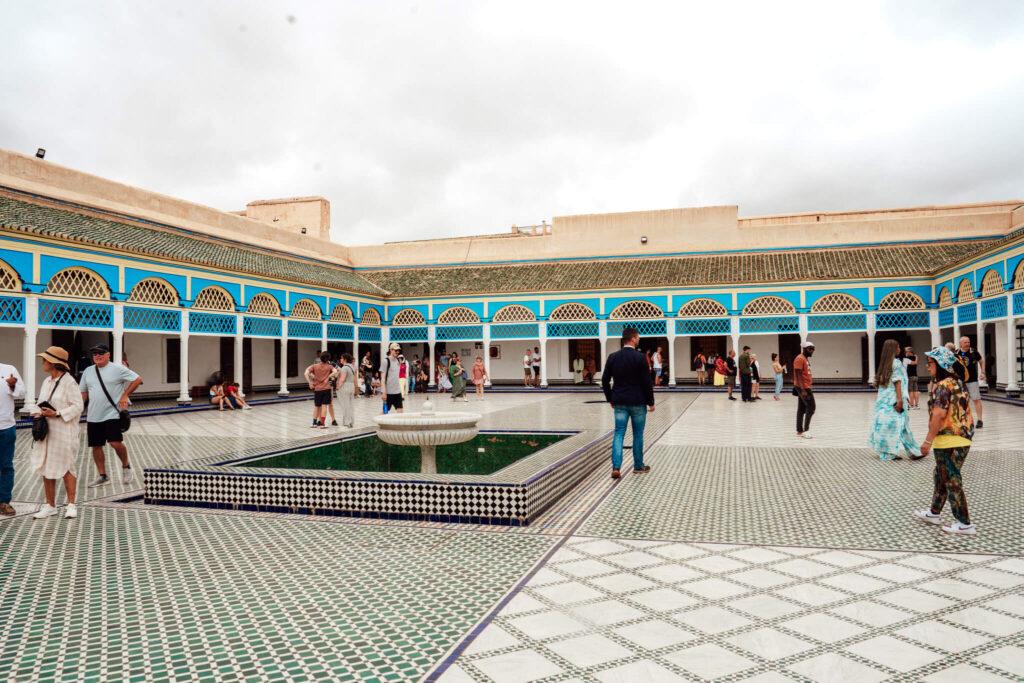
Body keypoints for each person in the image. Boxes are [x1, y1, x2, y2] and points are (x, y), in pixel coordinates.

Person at [915, 346, 977, 534]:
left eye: (930, 362)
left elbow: (940, 415)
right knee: (941, 475)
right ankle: (934, 512)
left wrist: (927, 441)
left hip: (951, 439)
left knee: (951, 477)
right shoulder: (956, 382)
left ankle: (965, 523)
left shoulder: (944, 385)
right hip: (959, 438)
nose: (927, 366)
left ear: (941, 364)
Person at [30, 347, 84, 520]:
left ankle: (71, 505)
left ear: (54, 362)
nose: (42, 363)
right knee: (46, 466)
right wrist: (37, 412)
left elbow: (78, 406)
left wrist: (57, 413)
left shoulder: (69, 382)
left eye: (45, 360)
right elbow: (39, 403)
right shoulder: (47, 381)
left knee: (67, 466)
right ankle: (50, 505)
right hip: (48, 432)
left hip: (64, 432)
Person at [80, 344, 142, 487]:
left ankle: (126, 466)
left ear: (108, 354)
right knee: (96, 446)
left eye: (101, 353)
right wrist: (77, 409)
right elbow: (83, 392)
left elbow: (137, 379)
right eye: (94, 353)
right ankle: (103, 476)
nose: (97, 356)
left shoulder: (117, 368)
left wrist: (125, 395)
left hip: (112, 413)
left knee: (115, 442)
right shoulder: (88, 371)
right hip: (93, 415)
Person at [602, 327, 655, 479]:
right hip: (638, 402)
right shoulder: (640, 358)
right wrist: (650, 402)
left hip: (619, 402)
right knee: (638, 434)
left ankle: (616, 467)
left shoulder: (613, 357)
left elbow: (605, 380)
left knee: (619, 433)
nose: (639, 339)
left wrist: (610, 398)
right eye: (637, 337)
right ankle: (638, 466)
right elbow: (647, 382)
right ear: (632, 339)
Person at [868, 339, 921, 461]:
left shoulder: (883, 364)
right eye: (897, 347)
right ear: (893, 349)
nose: (900, 349)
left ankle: (891, 452)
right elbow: (897, 382)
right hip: (894, 398)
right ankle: (912, 452)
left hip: (884, 400)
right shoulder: (896, 363)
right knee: (902, 424)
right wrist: (900, 400)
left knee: (887, 426)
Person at [0, 359, 26, 516]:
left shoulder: (8, 369)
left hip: (6, 426)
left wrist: (11, 385)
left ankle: (4, 501)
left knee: (6, 465)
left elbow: (22, 393)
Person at [954, 336, 985, 428]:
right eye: (965, 342)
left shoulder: (973, 352)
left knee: (976, 399)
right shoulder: (956, 353)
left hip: (972, 380)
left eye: (968, 342)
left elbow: (981, 361)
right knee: (962, 401)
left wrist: (982, 372)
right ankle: (965, 420)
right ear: (960, 344)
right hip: (960, 381)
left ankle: (980, 420)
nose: (967, 344)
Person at [305, 352, 340, 428]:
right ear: (328, 359)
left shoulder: (314, 366)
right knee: (324, 406)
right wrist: (328, 377)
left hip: (317, 389)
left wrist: (310, 382)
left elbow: (306, 373)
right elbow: (336, 371)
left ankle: (314, 423)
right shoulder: (329, 366)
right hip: (326, 388)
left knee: (317, 406)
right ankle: (322, 424)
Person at [793, 341, 815, 438]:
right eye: (810, 349)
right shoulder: (799, 358)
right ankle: (806, 430)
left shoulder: (804, 359)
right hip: (803, 387)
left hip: (805, 386)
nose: (812, 351)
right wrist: (803, 390)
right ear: (804, 349)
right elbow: (798, 375)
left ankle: (799, 430)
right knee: (811, 407)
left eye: (813, 349)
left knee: (801, 409)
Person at [380, 342, 405, 413]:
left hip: (397, 391)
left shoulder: (398, 361)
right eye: (395, 350)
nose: (397, 352)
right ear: (391, 350)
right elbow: (383, 378)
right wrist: (384, 392)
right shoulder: (385, 361)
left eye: (398, 350)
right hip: (388, 392)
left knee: (400, 412)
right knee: (385, 412)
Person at [337, 353, 356, 428]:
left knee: (345, 405)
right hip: (351, 386)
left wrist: (338, 387)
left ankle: (346, 422)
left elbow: (342, 379)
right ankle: (351, 421)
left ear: (345, 359)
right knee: (350, 405)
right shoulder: (351, 367)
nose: (340, 359)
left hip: (345, 386)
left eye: (341, 358)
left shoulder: (345, 368)